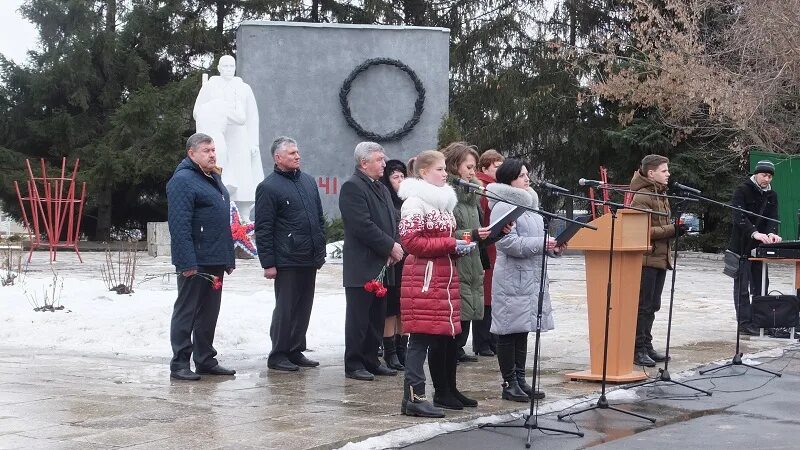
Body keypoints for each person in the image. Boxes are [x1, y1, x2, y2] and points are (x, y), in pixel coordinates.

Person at [398, 150, 477, 417]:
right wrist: (449, 244)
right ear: (423, 172)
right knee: (419, 339)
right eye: (440, 169)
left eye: (445, 169)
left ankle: (418, 397)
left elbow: (445, 239)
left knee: (434, 336)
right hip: (423, 277)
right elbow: (411, 242)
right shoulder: (414, 203)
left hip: (443, 275)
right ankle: (415, 397)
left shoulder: (442, 204)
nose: (446, 174)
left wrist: (460, 245)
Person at [488, 158, 564, 402]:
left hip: (530, 277)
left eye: (527, 174)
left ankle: (520, 380)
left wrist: (553, 246)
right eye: (522, 175)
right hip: (512, 278)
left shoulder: (530, 205)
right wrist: (542, 244)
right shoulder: (504, 205)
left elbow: (538, 239)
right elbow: (506, 242)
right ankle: (509, 382)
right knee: (509, 331)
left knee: (522, 331)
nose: (527, 178)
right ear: (510, 179)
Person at [166, 132, 237, 380]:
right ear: (192, 153)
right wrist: (186, 262)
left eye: (213, 150)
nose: (212, 154)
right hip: (195, 260)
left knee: (209, 312)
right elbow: (179, 225)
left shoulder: (212, 178)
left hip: (214, 258)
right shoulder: (183, 181)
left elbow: (220, 222)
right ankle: (180, 364)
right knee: (188, 311)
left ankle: (205, 359)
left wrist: (228, 257)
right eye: (206, 150)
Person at [254, 137, 326, 372]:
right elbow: (264, 228)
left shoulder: (307, 181)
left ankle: (295, 349)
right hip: (287, 258)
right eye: (292, 153)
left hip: (308, 256)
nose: (298, 156)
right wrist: (268, 263)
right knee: (286, 308)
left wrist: (320, 250)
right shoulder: (268, 187)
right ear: (278, 158)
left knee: (304, 307)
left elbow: (319, 218)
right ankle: (278, 353)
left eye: (298, 152)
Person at [339, 142, 404, 381]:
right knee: (359, 318)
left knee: (377, 316)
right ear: (364, 163)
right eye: (379, 160)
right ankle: (354, 363)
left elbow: (392, 221)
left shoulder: (382, 189)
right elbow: (362, 226)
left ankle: (370, 359)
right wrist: (389, 246)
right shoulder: (352, 187)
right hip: (362, 265)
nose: (384, 164)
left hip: (383, 263)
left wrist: (394, 246)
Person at [629, 154, 684, 367]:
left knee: (653, 305)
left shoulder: (661, 194)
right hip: (646, 259)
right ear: (651, 173)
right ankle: (637, 349)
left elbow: (661, 227)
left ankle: (647, 345)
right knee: (643, 306)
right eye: (664, 170)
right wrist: (672, 229)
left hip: (659, 258)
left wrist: (677, 230)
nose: (668, 174)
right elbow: (640, 230)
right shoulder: (642, 196)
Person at [193, 55, 263, 220]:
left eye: (231, 66)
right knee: (220, 172)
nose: (228, 70)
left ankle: (244, 215)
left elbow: (252, 117)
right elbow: (197, 112)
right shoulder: (210, 87)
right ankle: (219, 209)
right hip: (217, 137)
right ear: (219, 68)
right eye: (225, 66)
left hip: (240, 137)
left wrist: (253, 142)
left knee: (243, 174)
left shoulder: (244, 88)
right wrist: (211, 111)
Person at [441, 142, 491, 363]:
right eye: (469, 167)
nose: (473, 172)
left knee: (471, 300)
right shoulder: (447, 197)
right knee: (459, 302)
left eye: (474, 167)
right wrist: (474, 234)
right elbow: (448, 234)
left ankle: (460, 346)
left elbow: (477, 233)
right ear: (454, 166)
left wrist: (495, 233)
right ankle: (453, 346)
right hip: (455, 261)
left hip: (472, 259)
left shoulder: (473, 198)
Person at [728, 160, 782, 336]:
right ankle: (744, 323)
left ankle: (760, 320)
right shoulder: (742, 190)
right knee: (742, 287)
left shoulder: (772, 195)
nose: (766, 179)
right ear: (756, 174)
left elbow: (773, 218)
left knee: (761, 284)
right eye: (763, 175)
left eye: (769, 176)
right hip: (741, 245)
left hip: (760, 248)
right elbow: (739, 216)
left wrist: (772, 233)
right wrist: (754, 233)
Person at [473, 149, 504, 356]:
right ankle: (483, 342)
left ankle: (490, 340)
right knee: (485, 294)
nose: (499, 170)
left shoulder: (495, 188)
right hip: (486, 244)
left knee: (491, 294)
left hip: (492, 244)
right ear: (484, 168)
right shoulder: (484, 188)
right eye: (496, 166)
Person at [379, 159, 409, 371]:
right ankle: (390, 351)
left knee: (405, 306)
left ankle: (402, 348)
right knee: (391, 306)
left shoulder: (409, 200)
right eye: (395, 177)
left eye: (402, 176)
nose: (400, 181)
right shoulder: (385, 199)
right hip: (392, 258)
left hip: (409, 258)